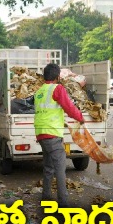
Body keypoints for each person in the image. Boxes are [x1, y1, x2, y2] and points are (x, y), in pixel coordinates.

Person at [34, 63, 84, 207]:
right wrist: (80, 117)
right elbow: (69, 107)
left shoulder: (39, 91)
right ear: (57, 77)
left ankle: (46, 197)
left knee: (49, 167)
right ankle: (63, 203)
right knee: (60, 168)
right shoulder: (57, 88)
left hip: (41, 133)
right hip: (52, 134)